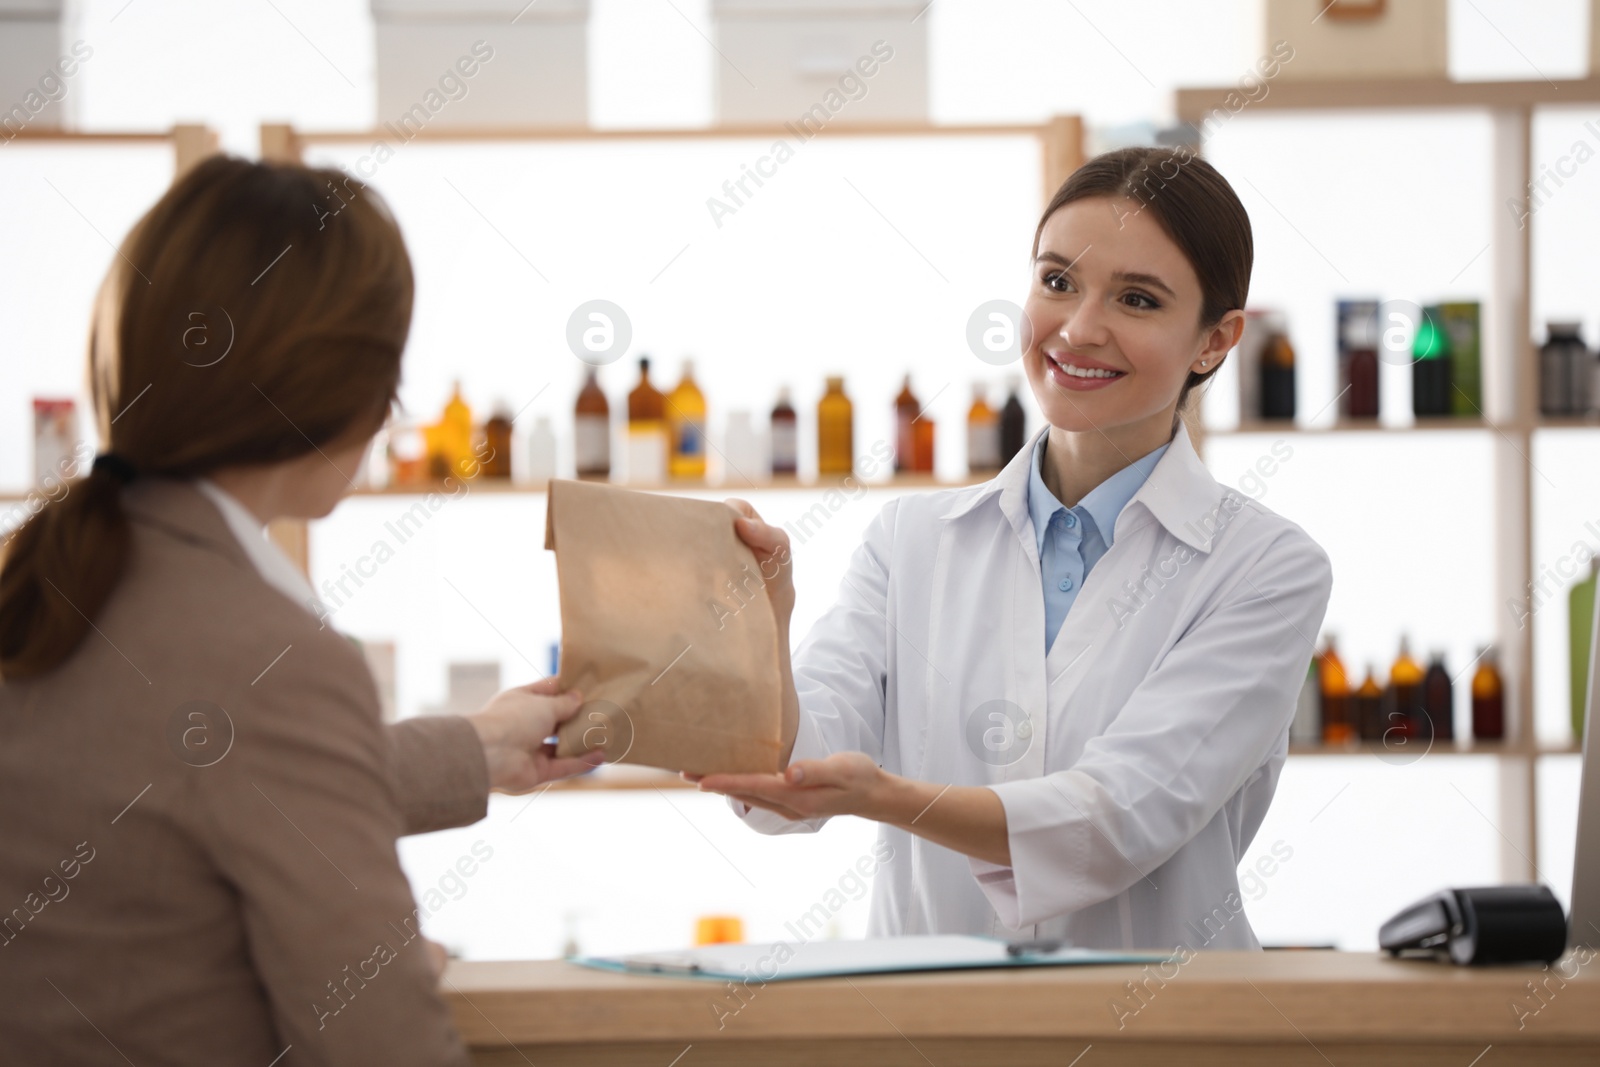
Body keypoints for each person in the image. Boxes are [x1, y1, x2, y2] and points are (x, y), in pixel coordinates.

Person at [0, 156, 600, 1065]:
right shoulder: (270, 657)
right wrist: (381, 967)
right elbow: (385, 1045)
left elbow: (171, 780)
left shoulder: (50, 579)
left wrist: (477, 747)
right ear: (348, 392)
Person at [699, 147, 1334, 951]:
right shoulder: (910, 541)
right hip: (933, 1028)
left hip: (1156, 1031)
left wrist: (885, 796)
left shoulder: (1265, 568)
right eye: (1058, 280)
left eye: (1137, 299)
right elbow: (798, 766)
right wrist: (763, 632)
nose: (1077, 328)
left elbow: (1116, 816)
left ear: (1215, 340)